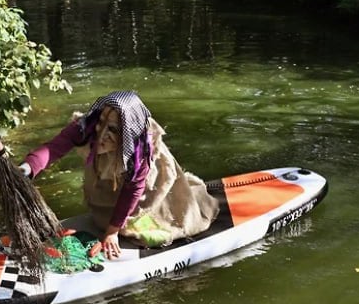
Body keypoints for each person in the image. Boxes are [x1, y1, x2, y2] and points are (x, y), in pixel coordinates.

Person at [20, 90, 220, 259]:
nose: (102, 135)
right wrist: (28, 168)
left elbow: (134, 189)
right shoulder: (87, 126)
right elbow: (55, 147)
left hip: (148, 183)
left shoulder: (141, 151)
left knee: (153, 219)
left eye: (113, 129)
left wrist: (112, 232)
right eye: (102, 123)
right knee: (105, 210)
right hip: (107, 174)